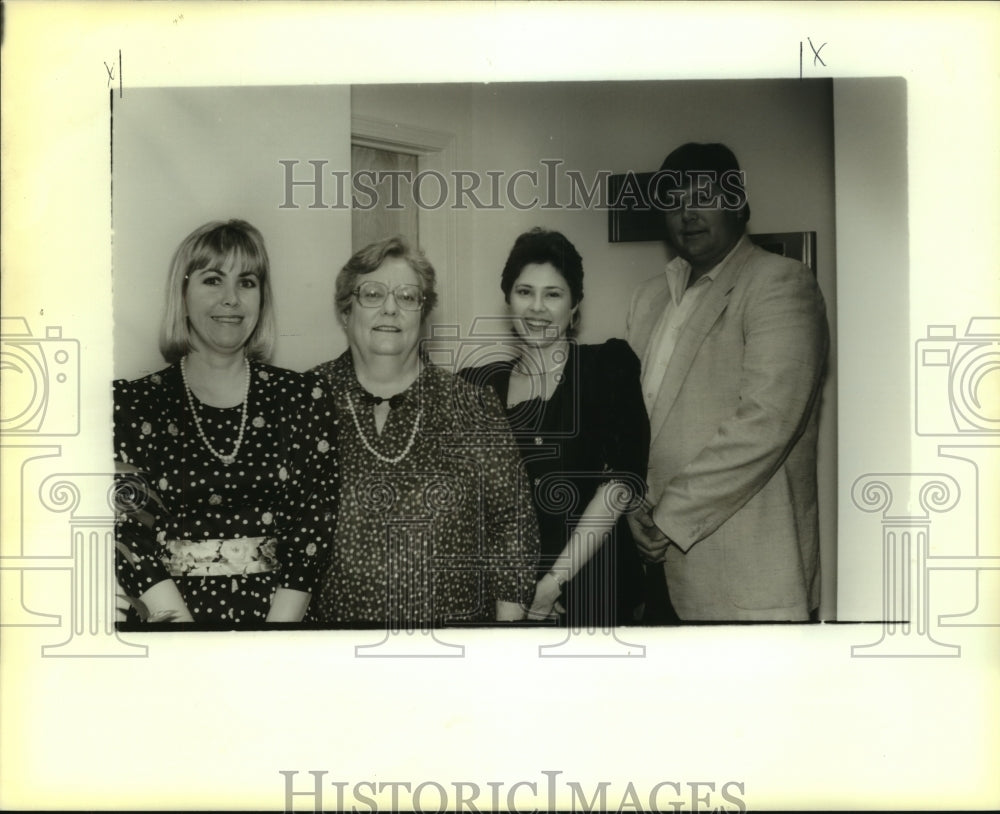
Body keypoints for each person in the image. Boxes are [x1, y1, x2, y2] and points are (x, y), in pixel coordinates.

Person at [626, 142, 829, 622]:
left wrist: (666, 515)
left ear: (738, 204)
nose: (687, 213)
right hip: (651, 569)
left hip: (746, 576)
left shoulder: (781, 283)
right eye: (673, 201)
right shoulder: (649, 298)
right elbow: (630, 421)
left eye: (703, 196)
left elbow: (766, 423)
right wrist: (629, 504)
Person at [113, 219, 337, 625]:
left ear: (262, 298)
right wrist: (188, 643)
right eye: (213, 280)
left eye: (247, 282)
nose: (231, 298)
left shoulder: (304, 398)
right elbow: (131, 534)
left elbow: (313, 528)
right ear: (182, 293)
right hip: (172, 624)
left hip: (281, 622)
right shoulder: (135, 404)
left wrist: (275, 640)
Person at [309, 235, 539, 626]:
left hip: (453, 646)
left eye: (407, 297)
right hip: (331, 644)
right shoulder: (305, 401)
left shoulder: (471, 406)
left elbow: (512, 522)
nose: (390, 309)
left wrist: (506, 635)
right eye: (372, 294)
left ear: (422, 313)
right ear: (345, 311)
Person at [461, 228, 653, 628]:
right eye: (524, 292)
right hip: (503, 596)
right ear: (508, 299)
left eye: (553, 294)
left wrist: (553, 582)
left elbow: (620, 483)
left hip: (593, 586)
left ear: (575, 304)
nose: (537, 308)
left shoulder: (607, 366)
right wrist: (514, 586)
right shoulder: (476, 384)